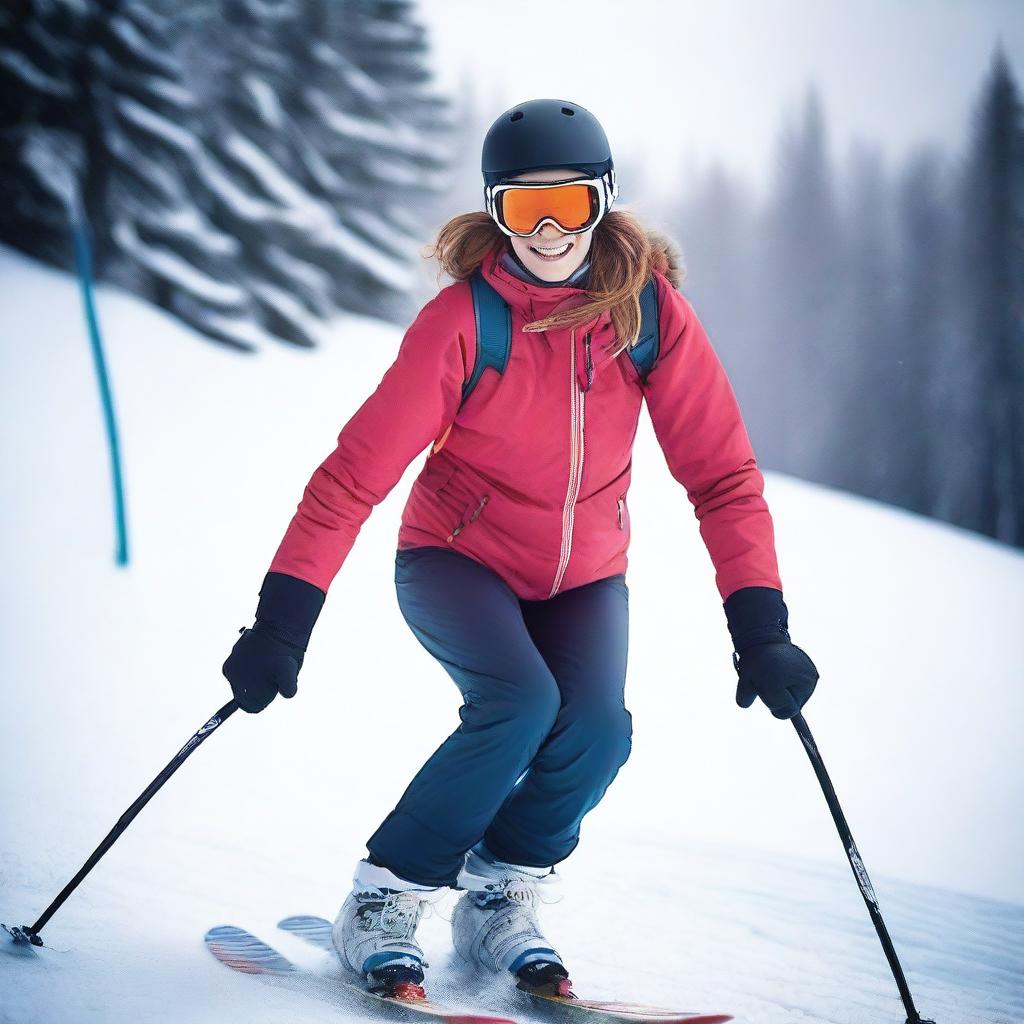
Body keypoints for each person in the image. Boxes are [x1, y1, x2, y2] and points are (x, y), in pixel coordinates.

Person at [222, 97, 819, 1000]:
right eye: (522, 207)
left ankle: (498, 890)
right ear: (494, 211)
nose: (547, 230)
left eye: (569, 205)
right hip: (455, 557)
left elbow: (722, 476)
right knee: (519, 701)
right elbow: (352, 477)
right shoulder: (466, 321)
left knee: (598, 730)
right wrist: (281, 620)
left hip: (584, 575)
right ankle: (384, 897)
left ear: (604, 203)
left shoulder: (647, 315)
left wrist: (760, 624)